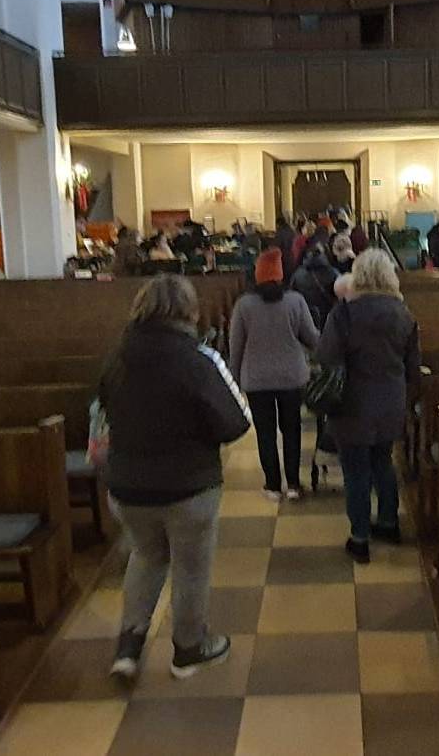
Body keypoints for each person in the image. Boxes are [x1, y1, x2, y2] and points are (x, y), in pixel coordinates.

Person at [100, 275, 252, 680]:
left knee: (146, 555)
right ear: (188, 311)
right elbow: (236, 422)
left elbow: (102, 416)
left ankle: (128, 649)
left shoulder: (116, 358)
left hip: (127, 485)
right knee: (190, 566)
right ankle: (188, 648)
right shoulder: (197, 359)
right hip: (188, 485)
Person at [316, 250, 421, 564]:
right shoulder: (404, 314)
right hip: (390, 401)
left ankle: (359, 537)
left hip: (352, 403)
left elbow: (326, 357)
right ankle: (388, 523)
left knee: (356, 472)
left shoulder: (345, 313)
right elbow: (413, 367)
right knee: (383, 463)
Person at [229, 248, 319, 501]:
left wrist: (235, 380)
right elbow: (312, 339)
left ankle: (271, 485)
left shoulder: (243, 305)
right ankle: (292, 484)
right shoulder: (295, 301)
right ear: (281, 276)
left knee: (265, 433)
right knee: (292, 430)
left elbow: (235, 348)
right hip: (292, 377)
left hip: (256, 380)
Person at [291, 242, 339, 329]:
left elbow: (293, 295)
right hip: (328, 315)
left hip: (307, 315)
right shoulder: (332, 272)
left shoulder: (298, 274)